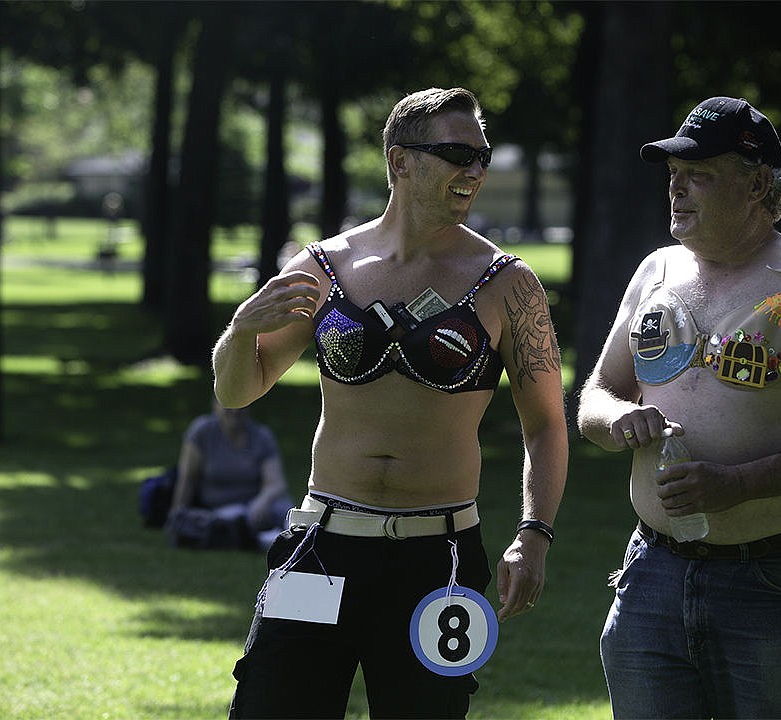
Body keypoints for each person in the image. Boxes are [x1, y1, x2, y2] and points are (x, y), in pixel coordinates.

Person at [213, 87, 568, 718]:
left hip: (439, 558)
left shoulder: (508, 284)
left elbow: (544, 426)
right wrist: (241, 330)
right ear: (399, 160)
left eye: (482, 156)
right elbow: (237, 388)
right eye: (458, 153)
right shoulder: (325, 266)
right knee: (272, 705)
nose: (476, 170)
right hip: (320, 545)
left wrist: (533, 534)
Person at [577, 96, 781, 718]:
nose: (678, 190)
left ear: (756, 186)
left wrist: (738, 485)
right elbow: (594, 395)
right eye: (673, 176)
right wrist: (618, 419)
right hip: (652, 572)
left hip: (773, 581)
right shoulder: (656, 270)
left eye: (699, 175)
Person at [167, 396, 294, 551]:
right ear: (215, 406)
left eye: (241, 406)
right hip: (222, 507)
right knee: (232, 520)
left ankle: (293, 538)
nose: (235, 411)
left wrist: (263, 500)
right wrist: (177, 514)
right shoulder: (202, 432)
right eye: (228, 407)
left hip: (256, 504)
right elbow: (187, 478)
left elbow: (276, 483)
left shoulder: (262, 436)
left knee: (285, 509)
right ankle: (265, 541)